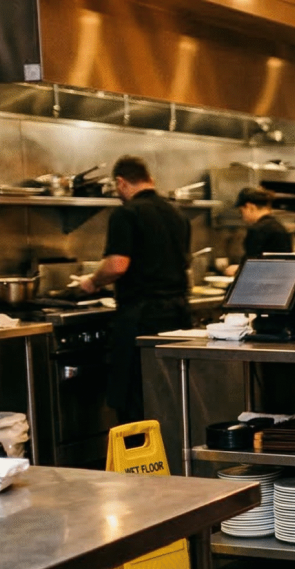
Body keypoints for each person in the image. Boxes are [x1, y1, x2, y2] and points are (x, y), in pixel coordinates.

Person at [78, 156, 192, 422]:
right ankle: (173, 457)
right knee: (170, 392)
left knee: (135, 397)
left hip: (142, 318)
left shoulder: (126, 213)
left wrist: (92, 281)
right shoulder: (177, 214)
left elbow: (117, 266)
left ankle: (137, 461)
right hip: (179, 316)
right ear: (149, 179)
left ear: (120, 182)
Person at [225, 187, 293, 276]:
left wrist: (236, 270)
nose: (242, 216)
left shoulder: (257, 230)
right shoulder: (280, 227)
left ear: (250, 207)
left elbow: (252, 267)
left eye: (241, 211)